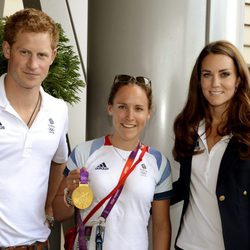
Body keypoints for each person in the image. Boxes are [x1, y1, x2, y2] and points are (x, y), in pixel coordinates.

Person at [53, 74, 173, 250]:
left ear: (149, 113)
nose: (130, 116)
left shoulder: (158, 162)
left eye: (139, 109)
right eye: (122, 107)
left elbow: (161, 226)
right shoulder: (84, 152)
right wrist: (69, 195)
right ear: (110, 108)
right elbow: (58, 213)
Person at [171, 40, 250, 250]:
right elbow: (185, 185)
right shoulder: (188, 126)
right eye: (207, 75)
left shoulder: (247, 131)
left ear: (239, 79)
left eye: (224, 74)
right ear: (199, 81)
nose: (215, 83)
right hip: (186, 245)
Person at [0, 8, 68, 249]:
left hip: (38, 244)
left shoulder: (59, 110)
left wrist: (49, 204)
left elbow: (59, 161)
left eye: (41, 54)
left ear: (53, 56)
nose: (33, 64)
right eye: (25, 52)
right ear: (7, 50)